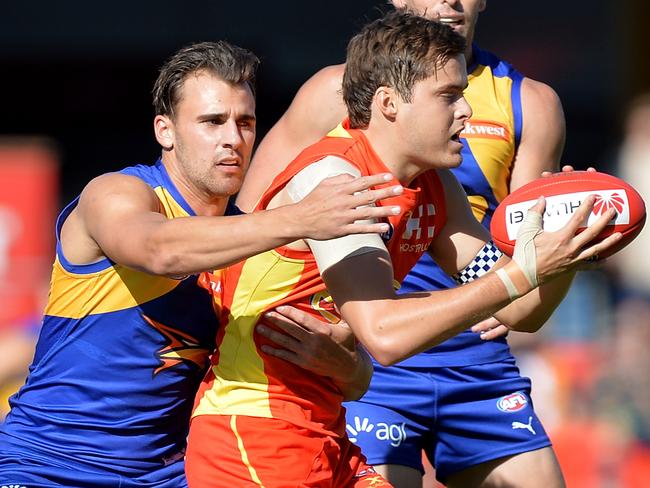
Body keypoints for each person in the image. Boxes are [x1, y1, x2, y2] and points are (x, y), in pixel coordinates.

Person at [187, 12, 618, 487]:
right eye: (449, 97)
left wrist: (574, 248)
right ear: (389, 103)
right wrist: (522, 272)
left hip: (326, 430)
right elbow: (386, 336)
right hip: (257, 433)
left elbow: (520, 312)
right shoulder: (338, 181)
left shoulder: (435, 185)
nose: (467, 113)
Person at [0, 41, 405, 488]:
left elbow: (355, 376)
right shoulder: (117, 194)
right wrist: (301, 217)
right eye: (212, 122)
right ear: (165, 131)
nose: (232, 138)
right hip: (48, 465)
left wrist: (343, 365)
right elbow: (159, 250)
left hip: (170, 476)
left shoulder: (256, 236)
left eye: (245, 123)